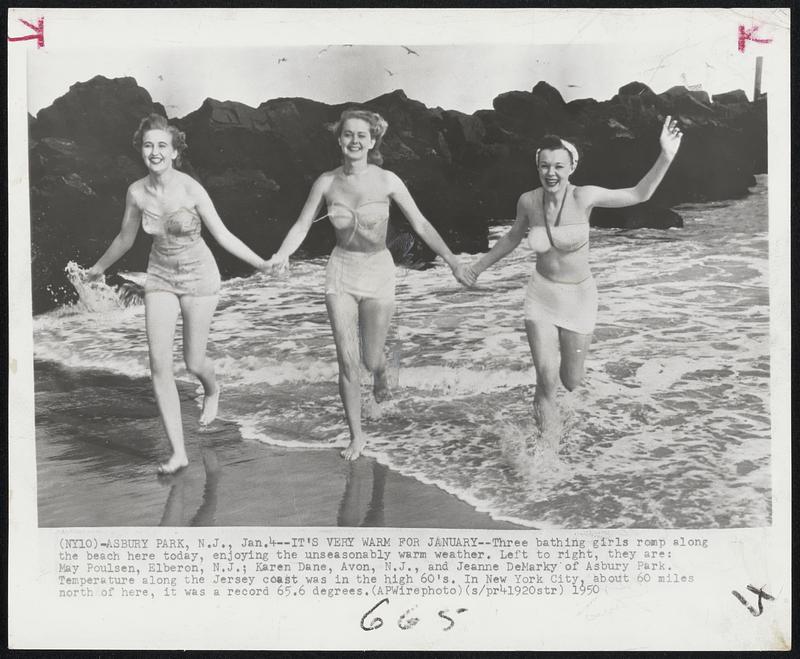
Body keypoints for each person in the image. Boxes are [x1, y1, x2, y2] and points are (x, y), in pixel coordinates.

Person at [463, 116, 683, 447]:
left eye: (558, 167)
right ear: (537, 167)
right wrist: (477, 267)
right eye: (544, 166)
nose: (551, 173)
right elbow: (511, 238)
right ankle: (545, 453)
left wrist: (665, 155)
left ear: (571, 168)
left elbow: (640, 193)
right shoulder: (528, 201)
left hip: (580, 298)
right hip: (542, 295)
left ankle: (559, 420)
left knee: (571, 380)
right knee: (546, 379)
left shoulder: (585, 197)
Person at [266, 108, 469, 460]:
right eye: (348, 135)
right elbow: (301, 226)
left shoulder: (388, 180)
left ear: (373, 141)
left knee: (371, 358)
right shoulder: (326, 183)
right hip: (341, 271)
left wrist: (452, 261)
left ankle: (380, 372)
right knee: (347, 361)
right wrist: (282, 255)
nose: (354, 141)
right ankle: (356, 436)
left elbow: (420, 224)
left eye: (362, 135)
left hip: (378, 271)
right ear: (339, 139)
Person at [86, 113, 270, 474]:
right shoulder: (136, 192)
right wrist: (99, 268)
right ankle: (178, 453)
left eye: (161, 146)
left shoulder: (190, 189)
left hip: (200, 278)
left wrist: (261, 263)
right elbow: (126, 237)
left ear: (174, 152)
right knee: (158, 366)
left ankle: (212, 389)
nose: (154, 152)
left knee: (193, 362)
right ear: (141, 149)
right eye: (148, 145)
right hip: (160, 278)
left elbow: (223, 235)